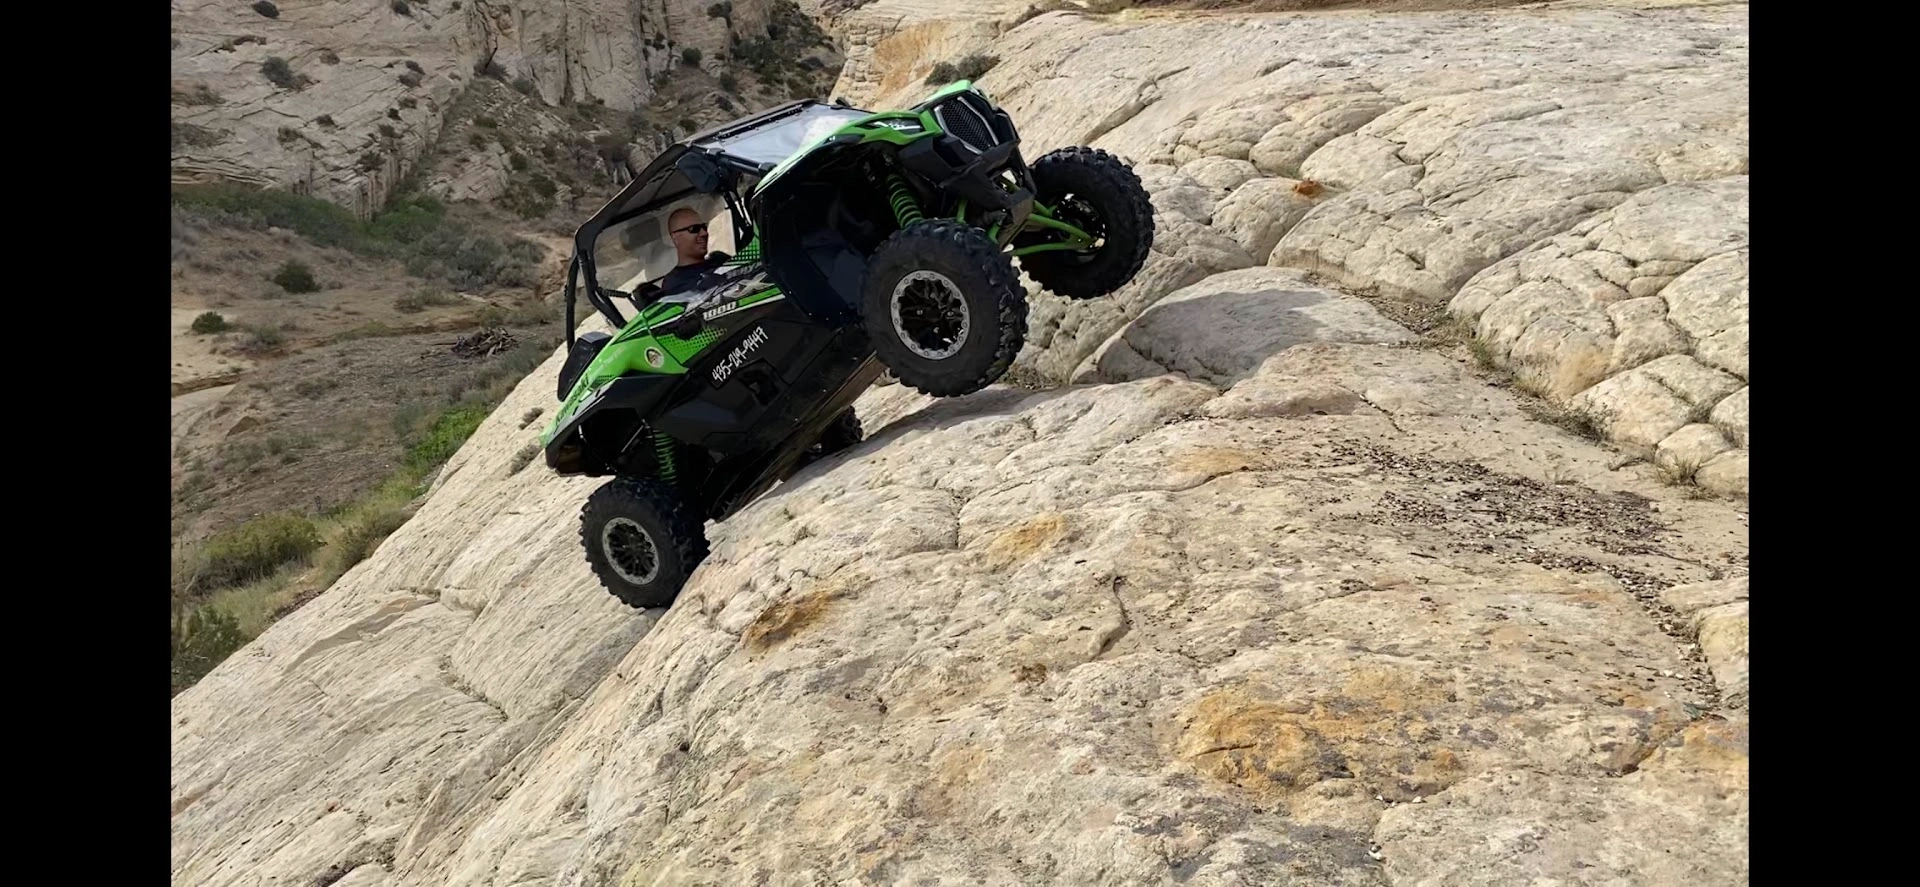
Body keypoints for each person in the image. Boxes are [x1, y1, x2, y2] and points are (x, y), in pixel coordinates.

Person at [653, 207, 732, 297]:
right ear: (675, 238)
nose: (704, 233)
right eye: (694, 229)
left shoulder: (720, 259)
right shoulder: (674, 282)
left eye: (704, 227)